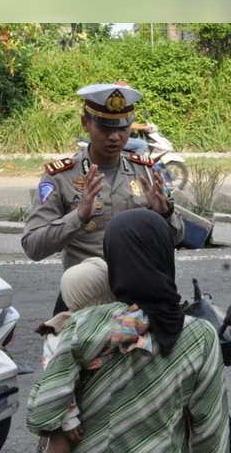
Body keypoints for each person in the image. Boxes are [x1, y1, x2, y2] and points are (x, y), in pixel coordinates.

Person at [26, 209, 231, 453]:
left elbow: (42, 414)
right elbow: (210, 438)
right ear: (164, 256)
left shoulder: (84, 325)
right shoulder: (200, 337)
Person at [21, 82, 185, 314]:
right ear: (86, 123)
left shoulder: (145, 171)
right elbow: (33, 246)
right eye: (105, 128)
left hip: (139, 301)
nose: (115, 137)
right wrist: (78, 216)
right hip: (84, 300)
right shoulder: (61, 177)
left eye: (122, 128)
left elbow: (177, 237)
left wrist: (164, 214)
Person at [33, 256, 114, 453]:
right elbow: (56, 380)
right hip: (69, 409)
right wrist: (69, 419)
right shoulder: (60, 335)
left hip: (94, 405)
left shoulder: (111, 322)